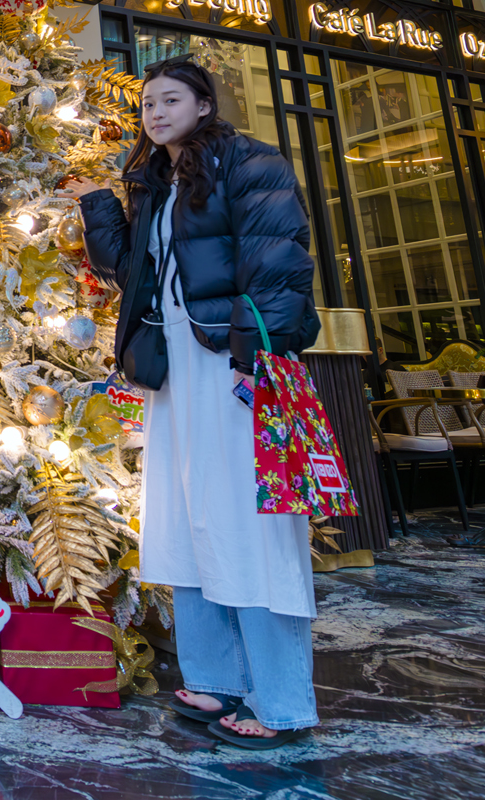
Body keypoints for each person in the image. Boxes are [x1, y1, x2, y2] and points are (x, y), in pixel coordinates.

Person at [64, 55, 321, 749]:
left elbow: (278, 265)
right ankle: (215, 678)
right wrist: (100, 205)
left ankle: (281, 703)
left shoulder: (252, 163)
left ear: (204, 105)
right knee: (185, 518)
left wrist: (254, 359)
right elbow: (133, 273)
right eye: (147, 103)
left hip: (235, 365)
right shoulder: (158, 182)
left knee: (251, 526)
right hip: (175, 367)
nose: (155, 112)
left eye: (170, 99)